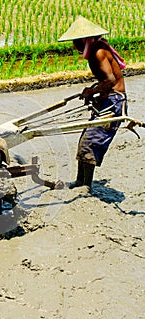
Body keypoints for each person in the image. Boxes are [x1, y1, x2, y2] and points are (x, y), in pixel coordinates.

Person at [58, 16, 127, 193]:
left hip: (113, 101)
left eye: (75, 41)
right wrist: (92, 89)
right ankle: (80, 181)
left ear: (83, 40)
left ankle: (86, 187)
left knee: (91, 141)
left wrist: (92, 92)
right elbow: (105, 80)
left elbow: (111, 80)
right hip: (107, 99)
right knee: (85, 139)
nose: (74, 46)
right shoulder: (97, 50)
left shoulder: (98, 52)